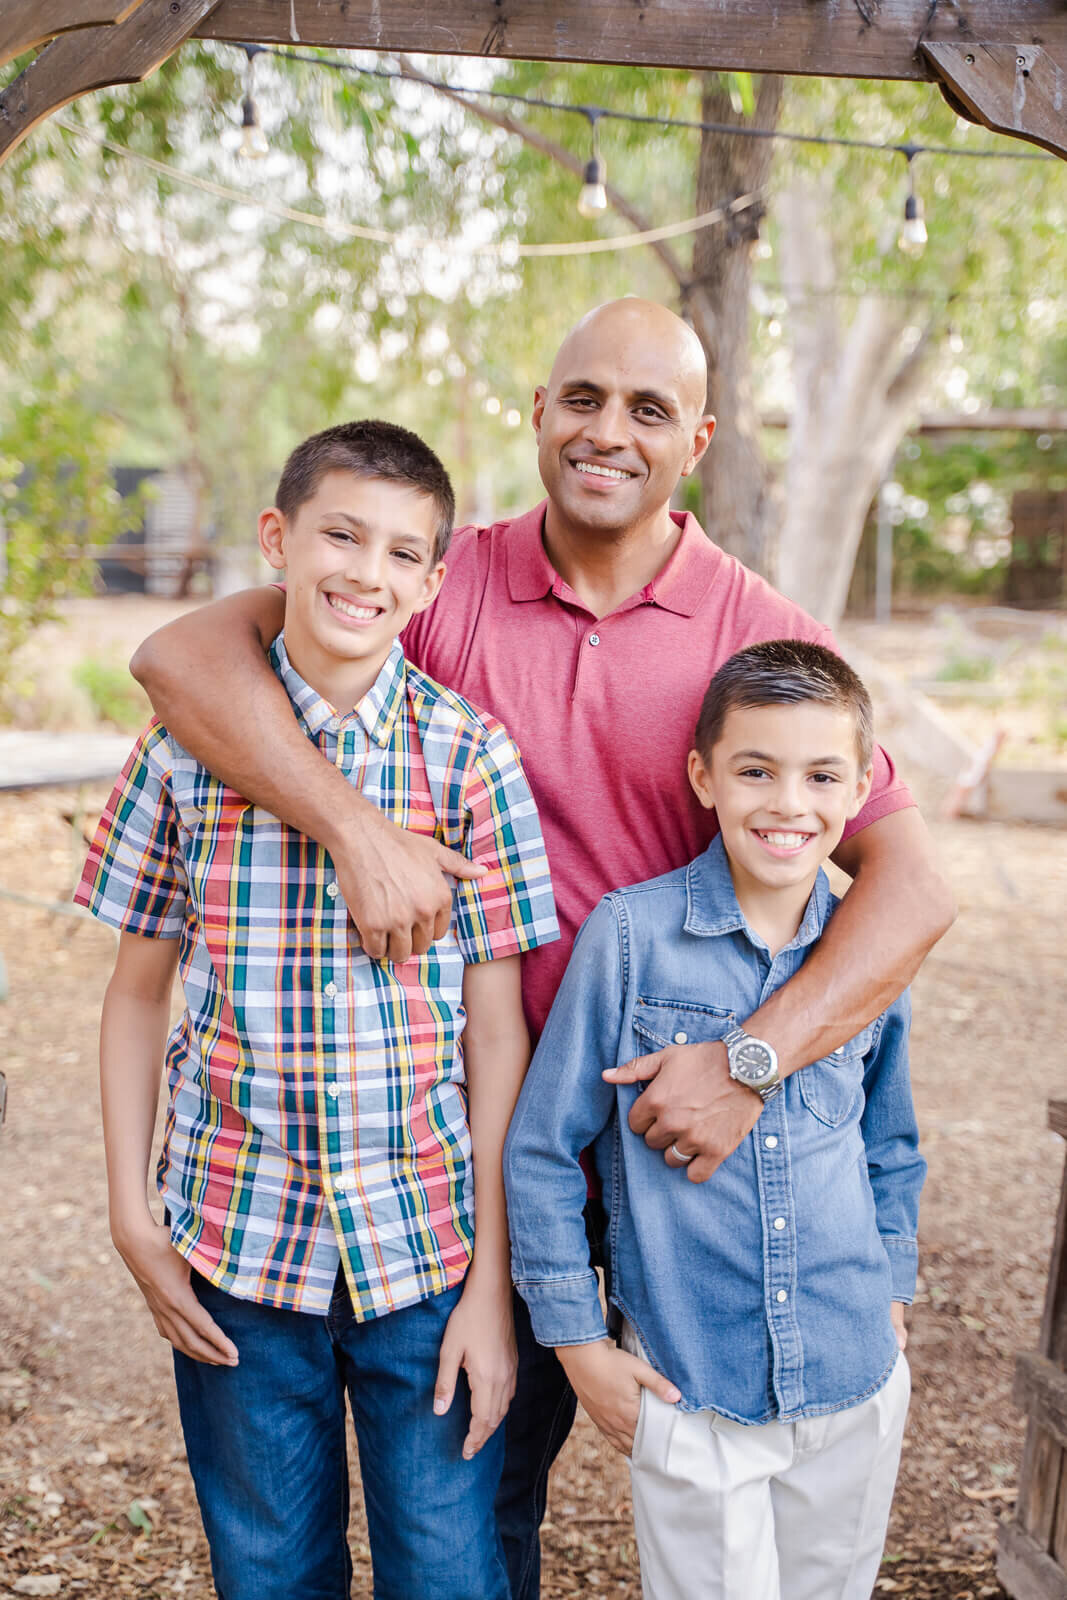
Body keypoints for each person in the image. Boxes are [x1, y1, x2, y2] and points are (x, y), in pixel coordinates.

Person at [130, 299, 954, 1599]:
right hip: (486, 1150)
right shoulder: (446, 583)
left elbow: (909, 890)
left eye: (646, 410)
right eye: (581, 397)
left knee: (734, 1525)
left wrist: (747, 1064)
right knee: (471, 1516)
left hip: (692, 1160)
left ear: (697, 438)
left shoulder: (751, 623)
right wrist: (354, 829)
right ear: (535, 410)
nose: (606, 432)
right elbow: (177, 656)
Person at [75, 421, 559, 1600]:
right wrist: (131, 1211)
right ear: (277, 538)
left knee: (447, 1572)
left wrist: (492, 1287)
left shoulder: (470, 758)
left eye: (403, 553)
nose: (366, 572)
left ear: (433, 582)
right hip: (238, 1250)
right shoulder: (183, 755)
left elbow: (498, 1038)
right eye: (341, 535)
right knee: (267, 1569)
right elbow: (136, 996)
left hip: (426, 1257)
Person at [505, 639, 926, 1600]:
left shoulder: (866, 946)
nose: (788, 803)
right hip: (691, 1382)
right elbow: (540, 1152)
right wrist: (578, 1344)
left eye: (822, 775)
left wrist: (891, 1292)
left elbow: (889, 1146)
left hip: (853, 1364)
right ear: (703, 775)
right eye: (755, 770)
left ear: (860, 787)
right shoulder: (629, 938)